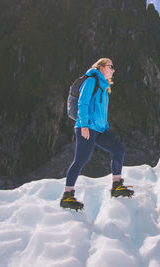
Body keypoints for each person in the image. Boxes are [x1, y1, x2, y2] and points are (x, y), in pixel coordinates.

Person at [60, 58, 134, 211]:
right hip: (86, 127)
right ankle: (67, 196)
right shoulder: (91, 81)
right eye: (110, 66)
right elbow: (83, 103)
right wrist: (84, 125)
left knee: (119, 150)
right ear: (101, 68)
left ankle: (116, 185)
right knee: (81, 160)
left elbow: (101, 111)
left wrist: (104, 126)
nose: (113, 70)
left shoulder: (104, 86)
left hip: (100, 129)